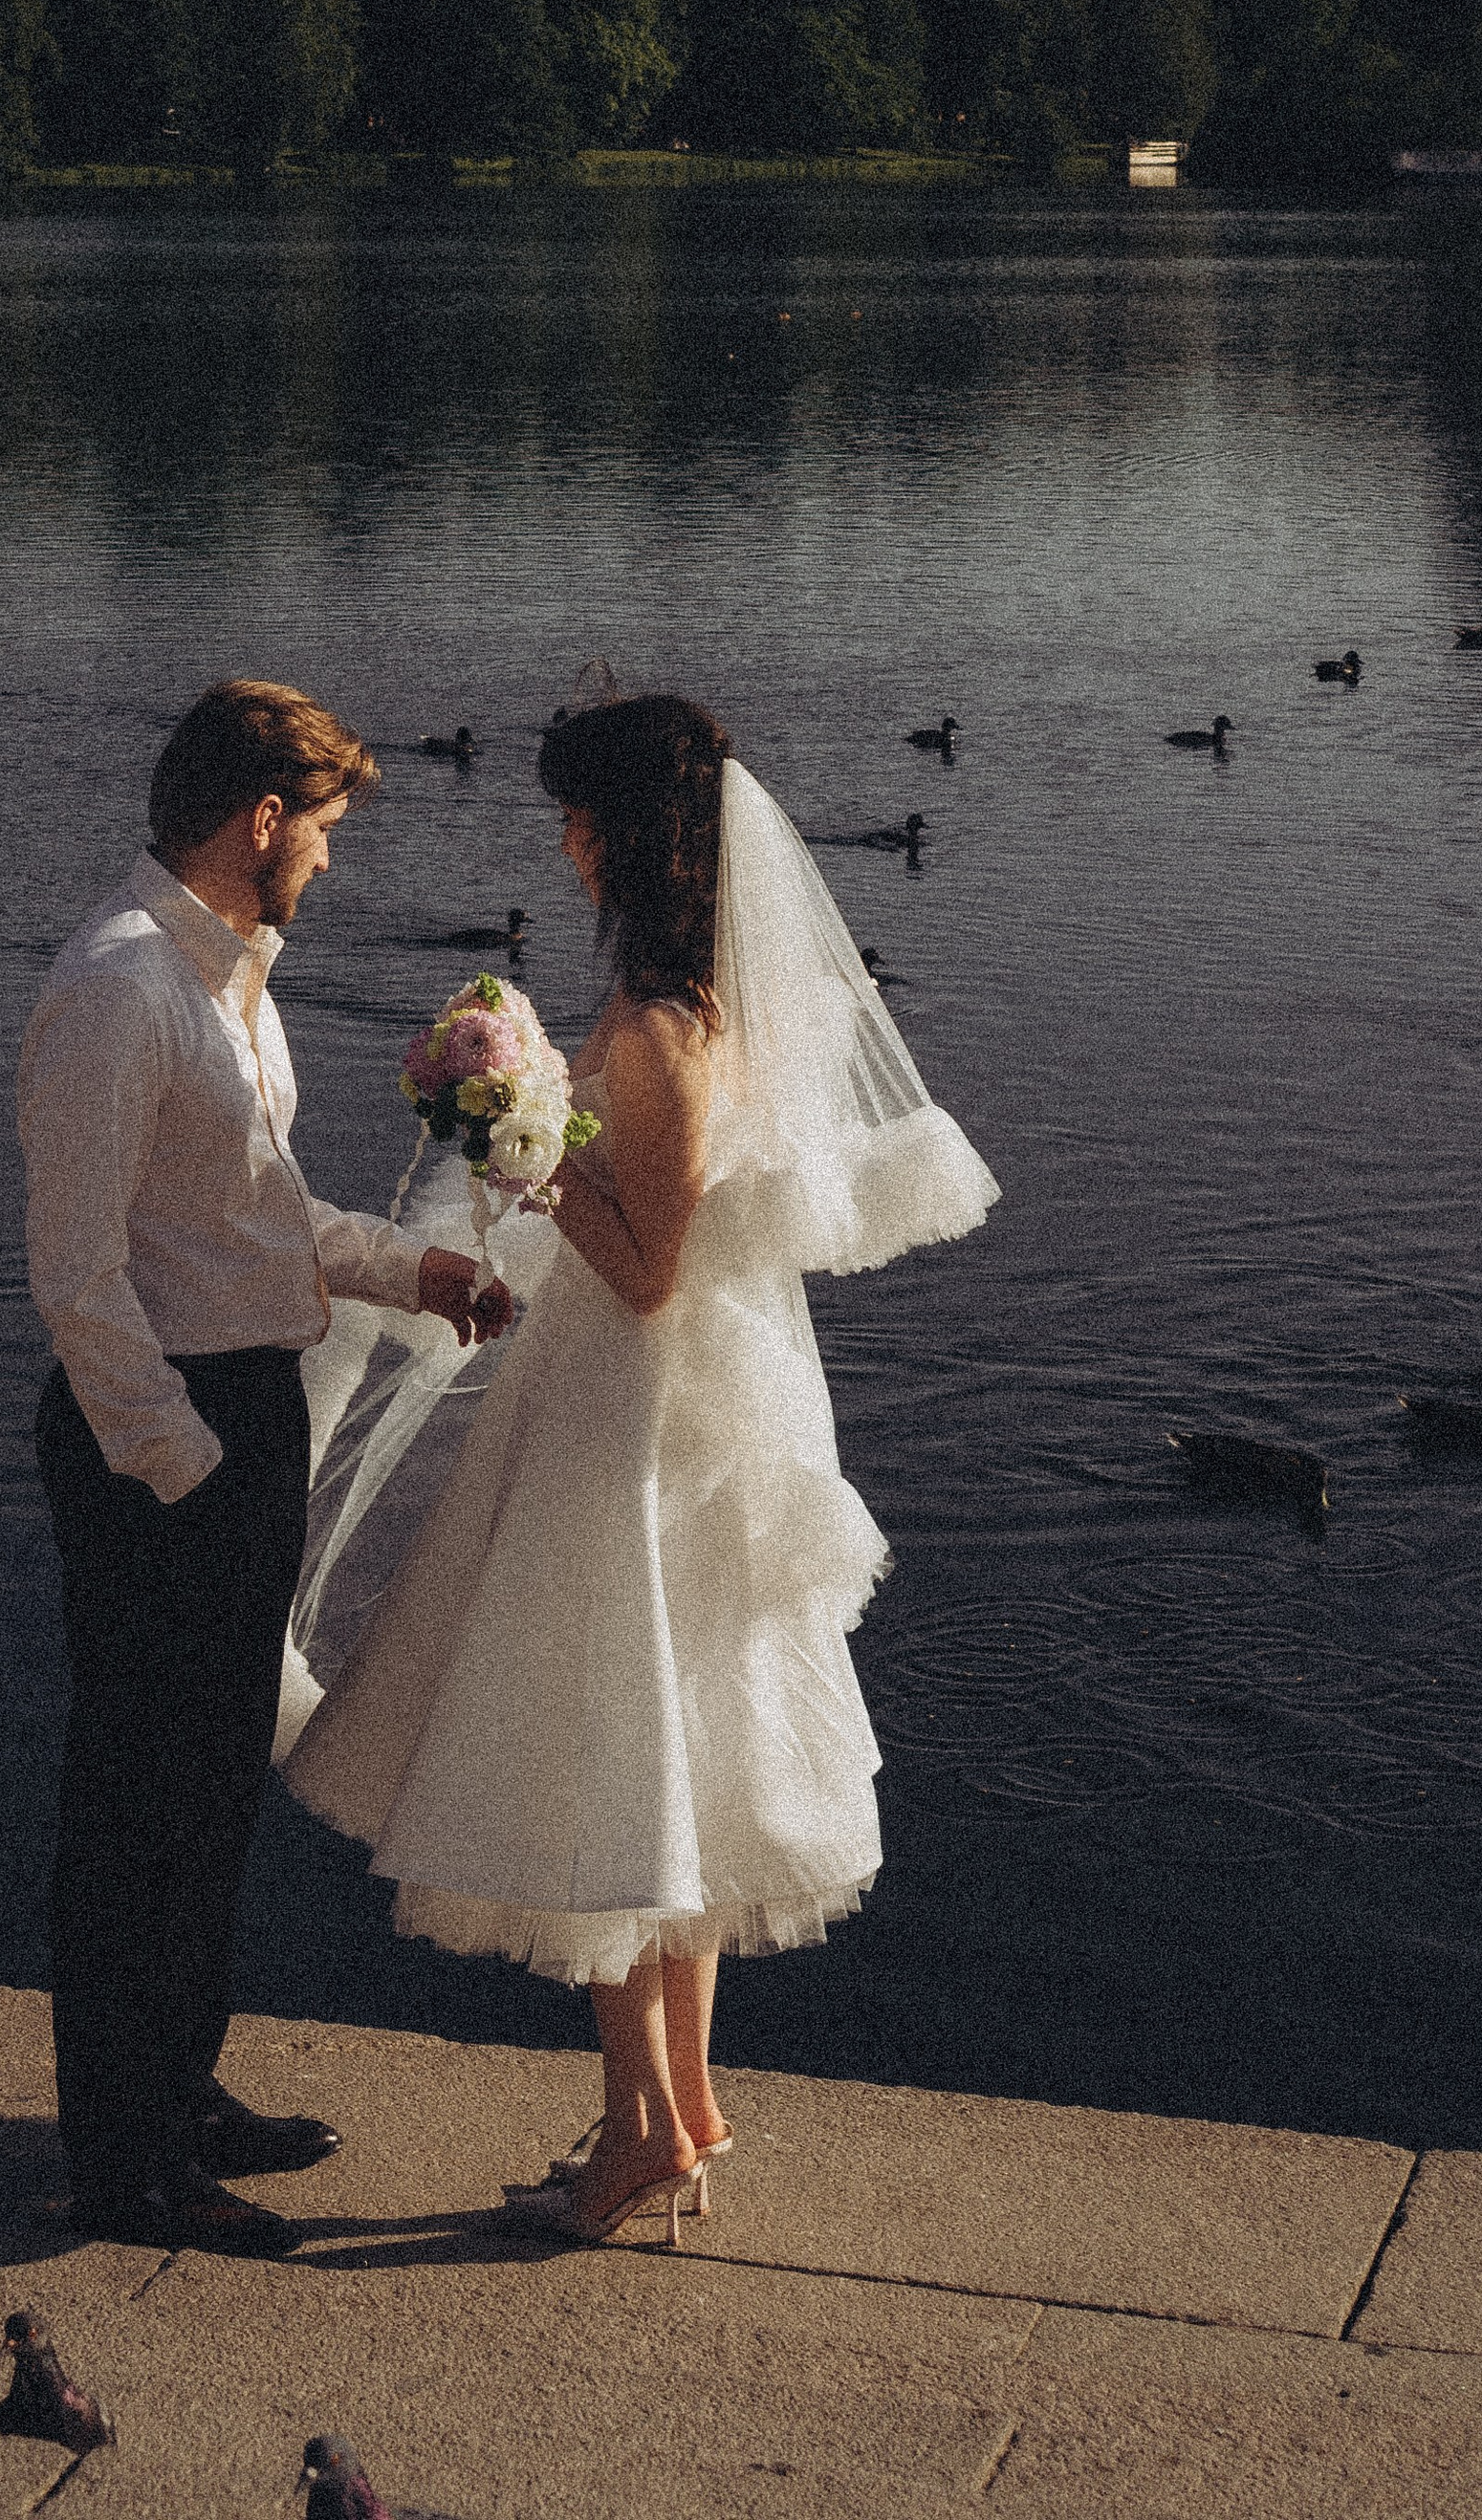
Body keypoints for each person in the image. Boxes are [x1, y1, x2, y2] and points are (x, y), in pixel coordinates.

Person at [283, 691, 999, 2248]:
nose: (562, 839)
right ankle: (684, 2111)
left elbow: (649, 1267)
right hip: (684, 1415)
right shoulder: (710, 1010)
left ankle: (636, 2126)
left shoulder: (657, 1033)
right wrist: (543, 1127)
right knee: (673, 1772)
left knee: (599, 1757)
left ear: (634, 837)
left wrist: (523, 1158)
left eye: (579, 815)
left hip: (636, 1422)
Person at [18, 679, 494, 2257]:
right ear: (262, 821)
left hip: (237, 1413)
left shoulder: (231, 984)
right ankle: (124, 2162)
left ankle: (181, 2088)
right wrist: (184, 1466)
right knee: (135, 1801)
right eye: (329, 832)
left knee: (213, 1783)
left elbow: (256, 1218)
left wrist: (413, 1274)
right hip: (160, 1437)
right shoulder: (117, 989)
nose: (334, 866)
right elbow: (78, 1277)